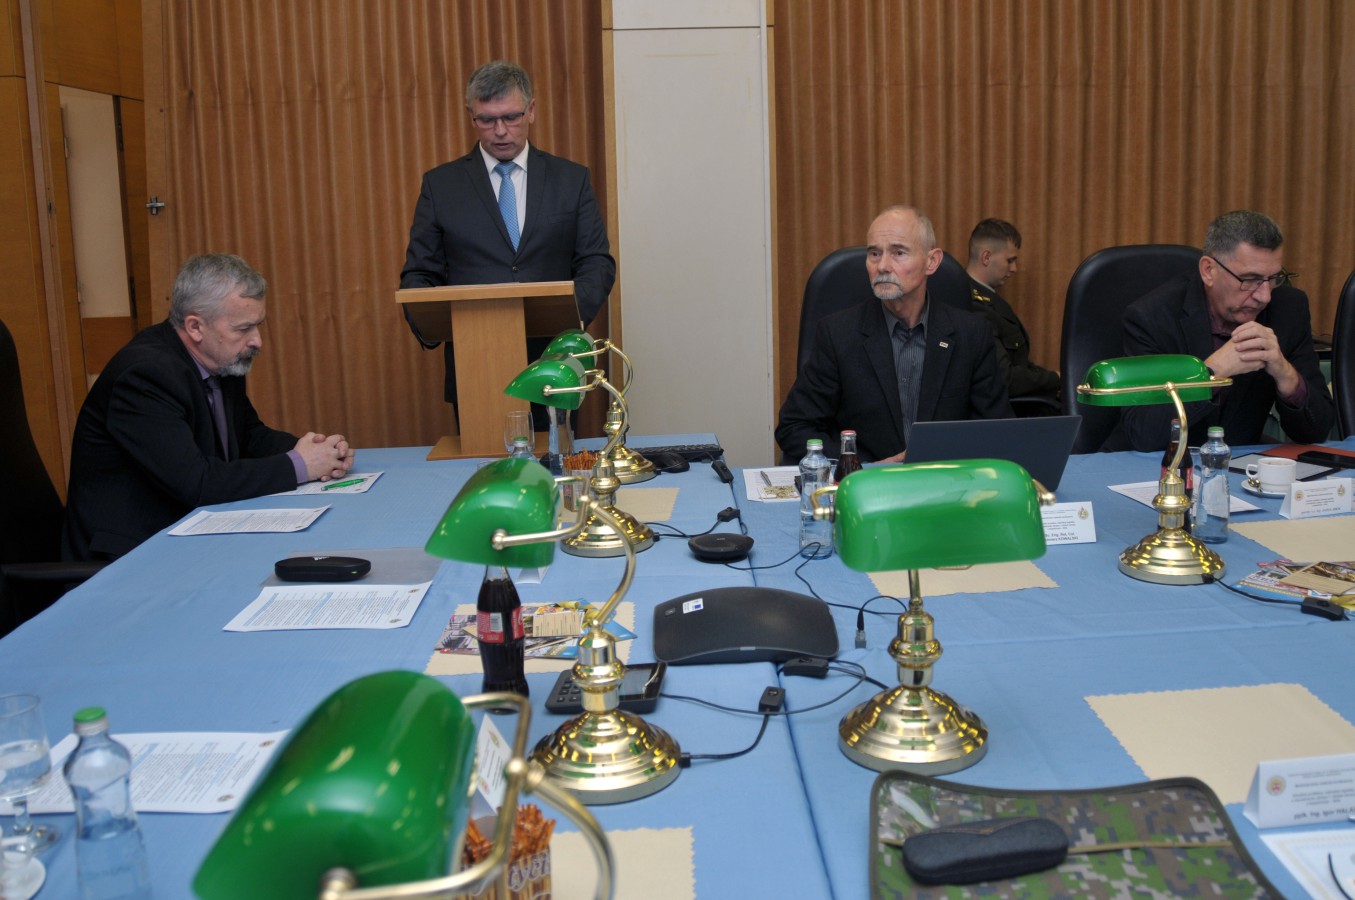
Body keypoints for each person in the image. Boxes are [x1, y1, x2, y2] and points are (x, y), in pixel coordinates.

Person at [62, 254, 355, 561]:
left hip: (190, 532)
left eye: (257, 326)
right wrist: (299, 465)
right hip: (131, 555)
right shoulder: (145, 375)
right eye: (243, 329)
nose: (257, 341)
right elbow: (196, 482)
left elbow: (248, 435)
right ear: (195, 327)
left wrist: (315, 451)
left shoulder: (220, 360)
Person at [400, 59, 616, 410]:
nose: (500, 130)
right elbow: (418, 275)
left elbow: (596, 263)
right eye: (487, 120)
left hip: (555, 365)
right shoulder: (441, 186)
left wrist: (570, 316)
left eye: (511, 117)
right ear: (471, 117)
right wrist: (433, 324)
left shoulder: (570, 180)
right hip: (475, 365)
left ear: (531, 111)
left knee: (553, 450)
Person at [776, 206, 1011, 463]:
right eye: (874, 254)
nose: (883, 266)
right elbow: (795, 427)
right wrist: (860, 467)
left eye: (899, 253)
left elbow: (996, 433)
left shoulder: (971, 335)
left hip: (944, 479)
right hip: (867, 482)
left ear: (931, 262)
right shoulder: (838, 334)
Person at [1119, 210, 1335, 451]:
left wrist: (1285, 374)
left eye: (1274, 278)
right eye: (1250, 279)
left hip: (1241, 464)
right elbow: (1144, 435)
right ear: (1208, 271)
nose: (1264, 296)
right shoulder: (1152, 318)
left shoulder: (1287, 310)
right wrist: (1210, 374)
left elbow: (1316, 431)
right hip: (1164, 464)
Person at [965, 218, 1061, 406]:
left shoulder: (988, 299)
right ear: (986, 257)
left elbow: (1019, 364)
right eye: (1010, 260)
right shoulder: (975, 306)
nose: (1014, 269)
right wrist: (1055, 379)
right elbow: (1004, 377)